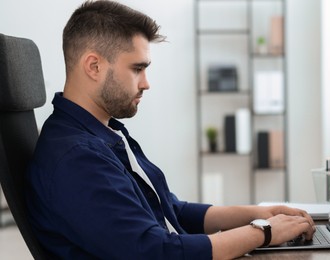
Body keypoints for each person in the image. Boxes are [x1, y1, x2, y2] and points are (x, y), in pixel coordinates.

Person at [26, 1, 315, 259]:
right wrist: (263, 232)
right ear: (94, 66)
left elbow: (171, 210)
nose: (146, 83)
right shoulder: (77, 158)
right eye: (137, 69)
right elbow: (157, 252)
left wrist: (259, 214)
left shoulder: (103, 134)